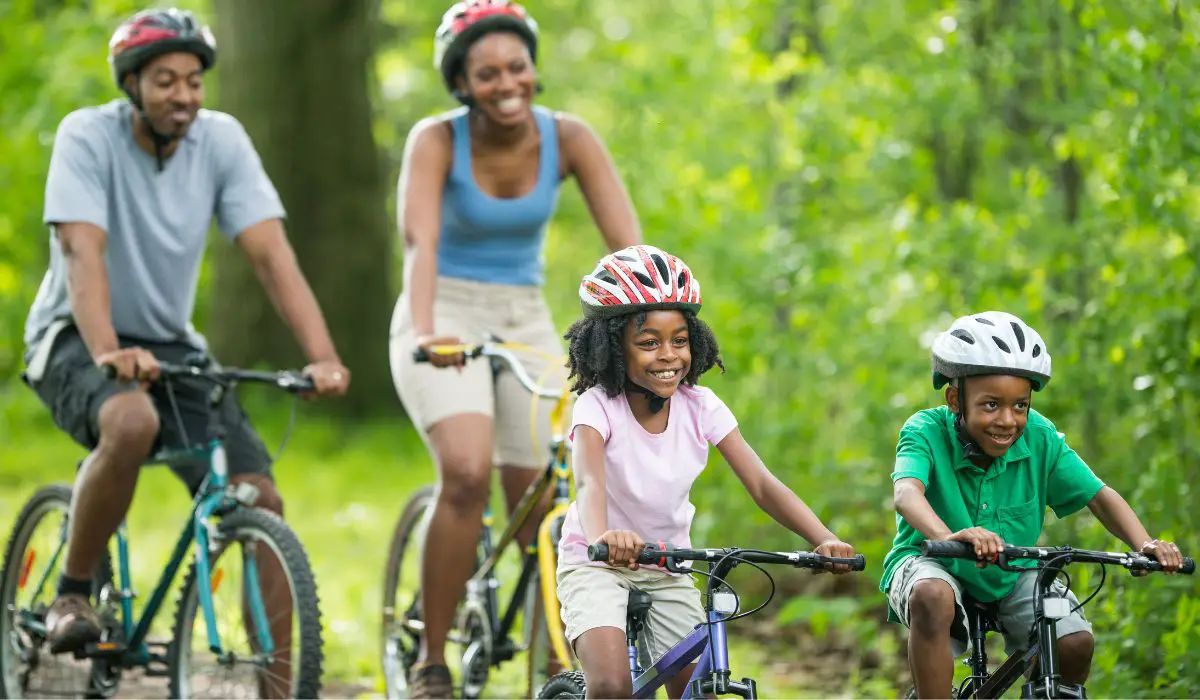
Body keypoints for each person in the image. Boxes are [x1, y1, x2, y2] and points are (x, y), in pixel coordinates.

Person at [20, 6, 350, 666]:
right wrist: (109, 350)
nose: (184, 95)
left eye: (194, 81)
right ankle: (74, 593)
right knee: (132, 422)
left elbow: (271, 255)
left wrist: (322, 356)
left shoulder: (221, 141)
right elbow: (83, 251)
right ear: (132, 84)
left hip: (169, 342)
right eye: (166, 80)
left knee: (261, 496)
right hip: (74, 333)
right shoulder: (87, 136)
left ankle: (283, 680)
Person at [387, 0, 641, 695]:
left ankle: (558, 663)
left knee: (543, 498)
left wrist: (648, 329)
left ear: (533, 68)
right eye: (486, 73)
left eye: (518, 67)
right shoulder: (436, 140)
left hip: (523, 315)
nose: (507, 83)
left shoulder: (570, 138)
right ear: (461, 83)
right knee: (467, 472)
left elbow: (629, 245)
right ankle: (431, 659)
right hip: (440, 306)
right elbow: (421, 242)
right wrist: (430, 325)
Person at [555, 244, 859, 699]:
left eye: (679, 341)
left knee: (697, 688)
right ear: (612, 346)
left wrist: (822, 538)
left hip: (668, 566)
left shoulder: (701, 407)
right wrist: (603, 538)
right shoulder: (596, 406)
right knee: (612, 686)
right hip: (596, 563)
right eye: (648, 343)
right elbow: (589, 481)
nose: (668, 356)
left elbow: (761, 483)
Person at [880, 311, 1184, 698]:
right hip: (932, 560)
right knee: (932, 596)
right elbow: (907, 494)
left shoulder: (1040, 438)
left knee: (1074, 643)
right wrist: (948, 535)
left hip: (1013, 568)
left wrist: (1144, 543)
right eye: (991, 405)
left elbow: (1099, 496)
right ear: (955, 399)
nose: (1007, 420)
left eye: (1019, 406)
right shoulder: (924, 430)